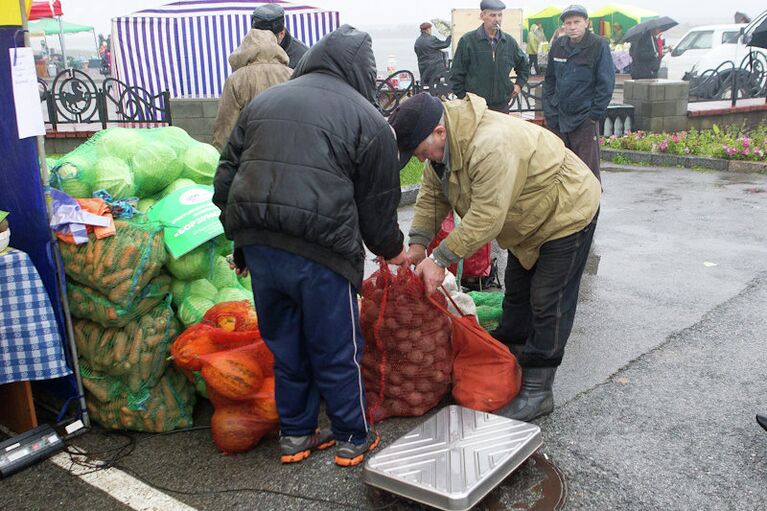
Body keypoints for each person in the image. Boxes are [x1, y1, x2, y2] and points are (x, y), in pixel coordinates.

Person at [213, 25, 407, 467]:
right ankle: (353, 437)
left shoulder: (264, 102)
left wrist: (238, 239)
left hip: (259, 245)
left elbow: (226, 174)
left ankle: (296, 435)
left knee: (286, 346)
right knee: (337, 348)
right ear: (363, 70)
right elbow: (377, 207)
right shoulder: (368, 118)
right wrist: (391, 249)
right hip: (320, 252)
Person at [388, 92, 600, 422]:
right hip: (526, 220)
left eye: (419, 151)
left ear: (440, 132)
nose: (419, 160)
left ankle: (538, 390)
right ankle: (510, 361)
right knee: (517, 296)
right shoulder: (441, 154)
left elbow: (486, 217)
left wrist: (439, 259)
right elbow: (432, 198)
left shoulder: (489, 144)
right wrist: (417, 245)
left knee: (548, 299)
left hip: (566, 210)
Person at [543, 4, 614, 183]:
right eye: (568, 23)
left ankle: (591, 208)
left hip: (584, 118)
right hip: (558, 118)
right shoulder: (559, 45)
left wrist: (593, 115)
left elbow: (605, 84)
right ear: (563, 26)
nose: (572, 27)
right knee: (559, 169)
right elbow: (549, 80)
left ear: (586, 23)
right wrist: (549, 109)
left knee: (587, 171)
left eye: (577, 22)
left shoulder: (598, 45)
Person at [211, 29, 292, 151]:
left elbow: (225, 129)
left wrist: (221, 161)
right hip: (287, 154)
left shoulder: (236, 80)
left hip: (251, 158)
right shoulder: (292, 75)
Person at [450, 0, 530, 113]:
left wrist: (519, 85)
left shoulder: (509, 42)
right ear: (482, 15)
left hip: (501, 106)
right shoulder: (468, 41)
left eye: (500, 15)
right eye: (492, 15)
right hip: (475, 108)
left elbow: (524, 65)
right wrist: (464, 98)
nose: (497, 19)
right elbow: (456, 74)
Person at [250, 4, 308, 68]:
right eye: (258, 35)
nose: (261, 41)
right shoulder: (247, 52)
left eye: (267, 38)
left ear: (281, 34)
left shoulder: (302, 58)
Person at [414, 21, 452, 89]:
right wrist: (450, 35)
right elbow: (445, 44)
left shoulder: (417, 41)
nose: (431, 31)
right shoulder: (432, 39)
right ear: (428, 29)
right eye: (431, 29)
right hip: (435, 71)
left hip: (423, 71)